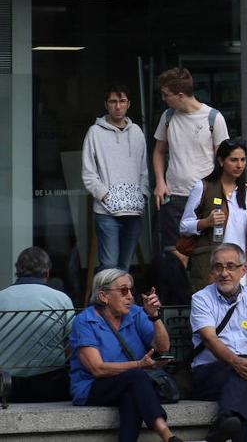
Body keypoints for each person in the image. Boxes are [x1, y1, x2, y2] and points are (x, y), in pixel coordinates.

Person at [70, 268, 183, 442]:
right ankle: (166, 434)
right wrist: (139, 365)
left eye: (131, 290)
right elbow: (97, 369)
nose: (130, 296)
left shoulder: (136, 313)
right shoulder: (85, 321)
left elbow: (163, 347)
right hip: (93, 387)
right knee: (135, 377)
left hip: (131, 384)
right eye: (123, 290)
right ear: (103, 296)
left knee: (130, 395)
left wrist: (154, 316)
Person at [190, 243, 247, 442]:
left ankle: (225, 422)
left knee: (246, 378)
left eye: (230, 266)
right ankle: (226, 421)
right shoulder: (201, 298)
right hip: (209, 374)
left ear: (243, 270)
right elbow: (210, 339)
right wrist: (236, 362)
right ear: (212, 271)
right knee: (246, 387)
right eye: (218, 267)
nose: (224, 273)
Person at [152, 67, 229, 253]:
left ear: (180, 95)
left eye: (165, 94)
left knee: (206, 251)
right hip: (175, 195)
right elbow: (159, 152)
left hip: (204, 196)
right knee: (175, 252)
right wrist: (160, 183)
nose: (163, 99)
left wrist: (221, 193)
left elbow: (223, 160)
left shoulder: (213, 118)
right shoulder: (168, 116)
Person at [179, 138, 247, 292]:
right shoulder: (204, 187)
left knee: (241, 312)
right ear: (221, 161)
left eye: (243, 160)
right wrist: (206, 222)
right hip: (211, 267)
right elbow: (184, 226)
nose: (239, 165)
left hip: (241, 267)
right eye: (233, 160)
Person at [81, 84, 149, 272]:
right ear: (106, 104)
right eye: (113, 102)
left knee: (125, 266)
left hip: (133, 211)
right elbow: (88, 173)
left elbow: (144, 169)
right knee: (110, 266)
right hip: (106, 211)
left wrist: (143, 195)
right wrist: (105, 196)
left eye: (122, 101)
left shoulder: (137, 132)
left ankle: (121, 302)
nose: (118, 106)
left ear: (129, 104)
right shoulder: (95, 132)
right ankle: (105, 302)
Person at [0, 247, 74, 401]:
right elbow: (73, 343)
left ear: (18, 271)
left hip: (5, 385)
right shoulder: (61, 299)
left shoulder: (1, 297)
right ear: (47, 272)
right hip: (51, 384)